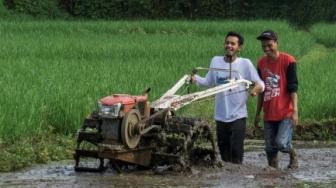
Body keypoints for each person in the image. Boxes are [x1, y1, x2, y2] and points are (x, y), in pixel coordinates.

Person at [192, 31, 265, 164]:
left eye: (233, 43)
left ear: (239, 47)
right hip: (220, 116)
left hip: (238, 115)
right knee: (224, 153)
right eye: (227, 43)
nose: (229, 46)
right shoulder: (216, 60)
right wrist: (195, 78)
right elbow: (209, 82)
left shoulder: (245, 64)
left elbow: (260, 84)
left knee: (236, 152)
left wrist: (255, 90)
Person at [254, 30, 299, 169]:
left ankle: (293, 155)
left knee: (281, 143)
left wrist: (295, 111)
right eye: (263, 46)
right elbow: (261, 90)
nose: (266, 48)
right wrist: (257, 113)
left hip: (285, 112)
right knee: (269, 148)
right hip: (269, 113)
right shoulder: (261, 63)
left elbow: (293, 87)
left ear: (276, 43)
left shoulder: (288, 60)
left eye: (269, 44)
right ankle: (273, 173)